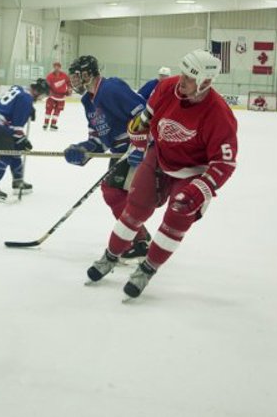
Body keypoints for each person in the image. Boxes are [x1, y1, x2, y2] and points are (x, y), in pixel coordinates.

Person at [85, 49, 238, 299]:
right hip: (160, 156)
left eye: (190, 78)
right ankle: (110, 256)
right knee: (135, 206)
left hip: (192, 171)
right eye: (183, 73)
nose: (182, 81)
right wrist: (138, 139)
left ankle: (148, 269)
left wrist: (201, 189)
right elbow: (145, 118)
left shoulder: (219, 114)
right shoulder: (167, 87)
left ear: (205, 82)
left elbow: (224, 162)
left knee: (178, 215)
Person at [64, 55, 150, 259]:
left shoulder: (111, 88)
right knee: (114, 193)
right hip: (119, 151)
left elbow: (145, 115)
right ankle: (139, 237)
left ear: (88, 74)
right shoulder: (87, 101)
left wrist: (141, 145)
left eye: (76, 76)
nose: (73, 81)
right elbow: (98, 137)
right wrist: (83, 150)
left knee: (114, 192)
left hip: (134, 148)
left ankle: (139, 240)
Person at [0, 79, 49, 201]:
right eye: (42, 95)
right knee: (5, 155)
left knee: (16, 150)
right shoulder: (26, 99)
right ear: (37, 91)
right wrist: (23, 140)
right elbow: (17, 129)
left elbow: (9, 107)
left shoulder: (18, 88)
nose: (41, 98)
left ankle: (18, 181)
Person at [42, 62, 70, 130]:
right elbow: (46, 85)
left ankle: (53, 124)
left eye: (58, 67)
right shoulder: (50, 76)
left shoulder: (65, 75)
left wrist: (69, 89)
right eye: (55, 67)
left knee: (57, 111)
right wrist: (48, 91)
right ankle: (46, 123)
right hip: (52, 96)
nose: (56, 68)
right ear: (53, 67)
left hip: (61, 97)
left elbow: (69, 83)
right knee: (48, 110)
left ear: (60, 67)